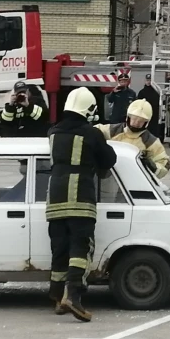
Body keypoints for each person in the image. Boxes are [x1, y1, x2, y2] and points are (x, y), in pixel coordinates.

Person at [46, 87, 117, 322]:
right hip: (80, 198)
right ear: (89, 110)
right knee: (80, 248)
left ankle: (57, 297)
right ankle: (73, 296)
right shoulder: (91, 133)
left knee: (60, 249)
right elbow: (109, 159)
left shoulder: (53, 132)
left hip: (55, 198)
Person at [95, 99, 170, 179]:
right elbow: (93, 131)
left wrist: (153, 167)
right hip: (111, 179)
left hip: (135, 181)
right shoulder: (112, 130)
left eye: (141, 121)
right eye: (134, 118)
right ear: (128, 117)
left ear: (147, 122)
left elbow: (164, 164)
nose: (136, 123)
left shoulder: (150, 142)